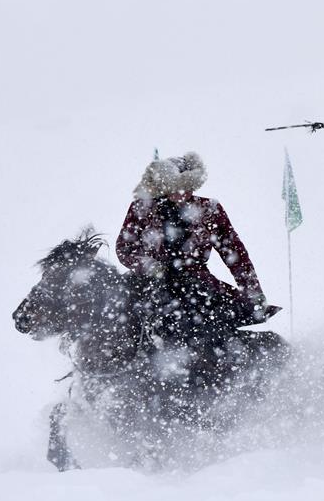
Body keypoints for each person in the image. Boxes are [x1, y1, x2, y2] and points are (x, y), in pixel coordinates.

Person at [116, 152, 274, 355]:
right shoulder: (142, 208)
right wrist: (148, 265)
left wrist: (252, 290)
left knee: (208, 330)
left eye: (187, 187)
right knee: (116, 309)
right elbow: (124, 247)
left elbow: (235, 255)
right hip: (149, 281)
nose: (182, 193)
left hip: (196, 284)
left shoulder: (210, 209)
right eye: (175, 187)